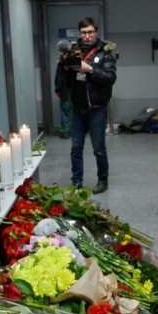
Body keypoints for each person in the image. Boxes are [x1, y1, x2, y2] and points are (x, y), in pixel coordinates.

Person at [64, 17, 117, 194]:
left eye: (90, 32)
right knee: (76, 147)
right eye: (84, 33)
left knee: (98, 148)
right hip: (78, 107)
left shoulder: (105, 52)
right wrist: (65, 67)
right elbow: (67, 78)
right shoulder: (74, 51)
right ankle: (76, 182)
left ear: (96, 32)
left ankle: (103, 180)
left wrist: (91, 70)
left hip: (97, 108)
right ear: (80, 34)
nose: (87, 36)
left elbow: (110, 78)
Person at [54, 60, 71, 139]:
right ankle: (74, 131)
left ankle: (65, 132)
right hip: (75, 91)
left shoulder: (61, 63)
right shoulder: (77, 62)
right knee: (73, 111)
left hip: (65, 91)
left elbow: (59, 78)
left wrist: (58, 90)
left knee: (65, 112)